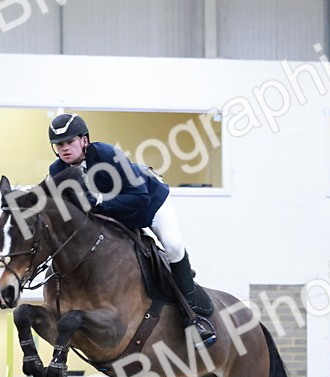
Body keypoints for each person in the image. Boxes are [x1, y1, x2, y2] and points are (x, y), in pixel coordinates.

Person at [46, 112, 217, 349]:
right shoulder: (57, 171)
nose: (64, 149)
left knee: (173, 246)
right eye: (59, 144)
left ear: (84, 140)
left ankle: (193, 317)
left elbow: (139, 197)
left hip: (149, 205)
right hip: (113, 219)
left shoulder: (106, 155)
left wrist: (98, 200)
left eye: (69, 142)